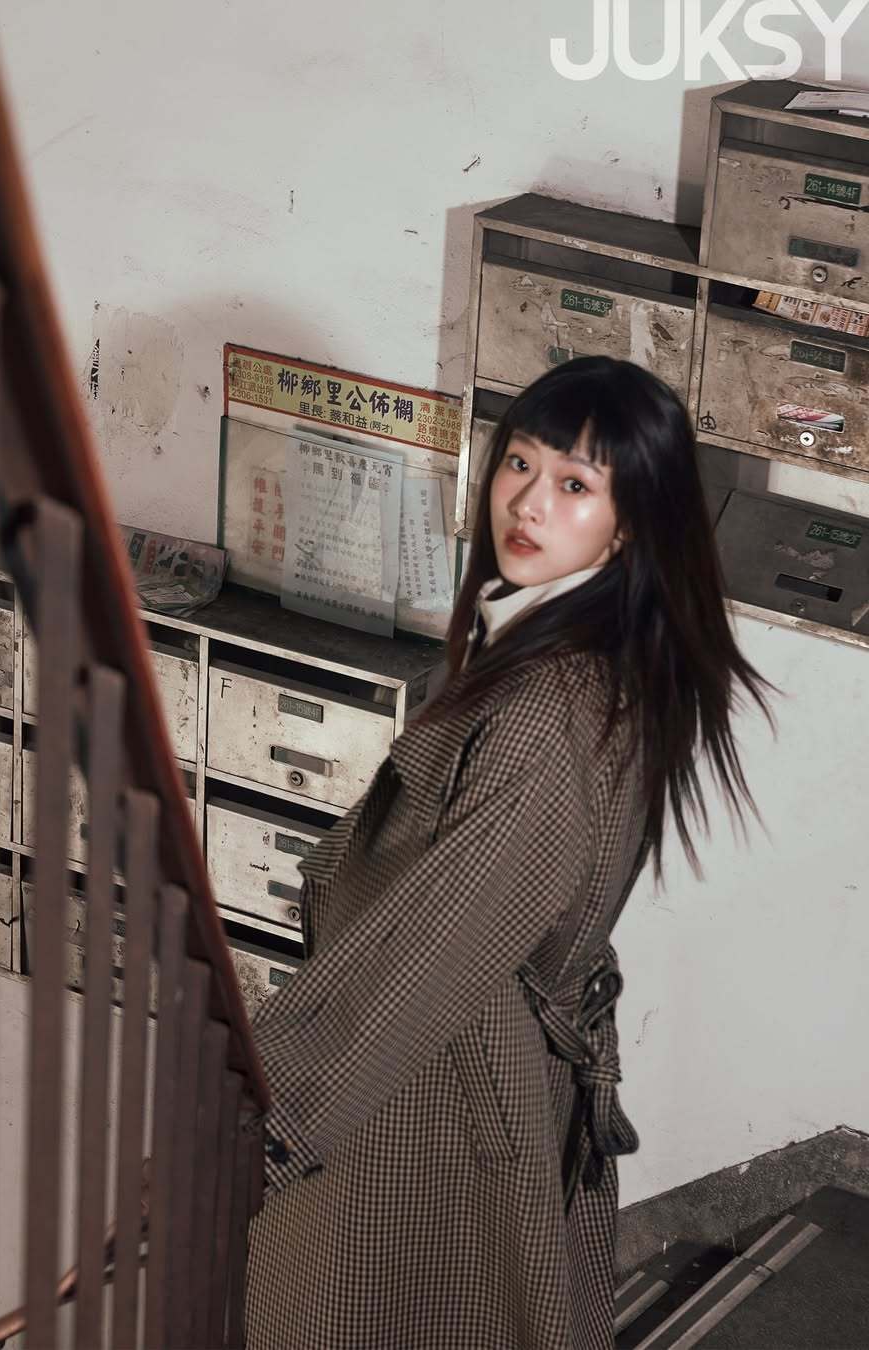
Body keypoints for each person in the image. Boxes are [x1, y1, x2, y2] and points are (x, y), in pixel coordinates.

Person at [244, 355, 775, 1349]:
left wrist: (261, 1121)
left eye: (575, 484)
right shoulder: (576, 650)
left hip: (443, 1074)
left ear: (629, 522)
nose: (528, 503)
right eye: (521, 463)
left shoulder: (549, 703)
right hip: (462, 1061)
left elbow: (432, 948)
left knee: (366, 1309)